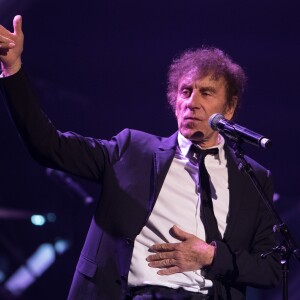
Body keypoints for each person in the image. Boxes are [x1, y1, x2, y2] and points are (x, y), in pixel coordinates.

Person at [0, 16, 281, 300]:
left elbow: (272, 269)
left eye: (206, 92)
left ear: (230, 108)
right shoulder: (133, 150)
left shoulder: (253, 179)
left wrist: (211, 256)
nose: (191, 102)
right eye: (185, 91)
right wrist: (13, 70)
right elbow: (48, 145)